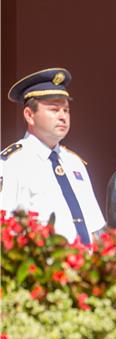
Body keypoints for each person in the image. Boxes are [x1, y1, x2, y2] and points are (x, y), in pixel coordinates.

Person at [1, 67, 104, 243]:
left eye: (66, 110)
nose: (63, 116)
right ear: (29, 115)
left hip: (85, 267)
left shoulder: (74, 163)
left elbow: (95, 227)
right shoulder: (12, 163)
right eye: (54, 109)